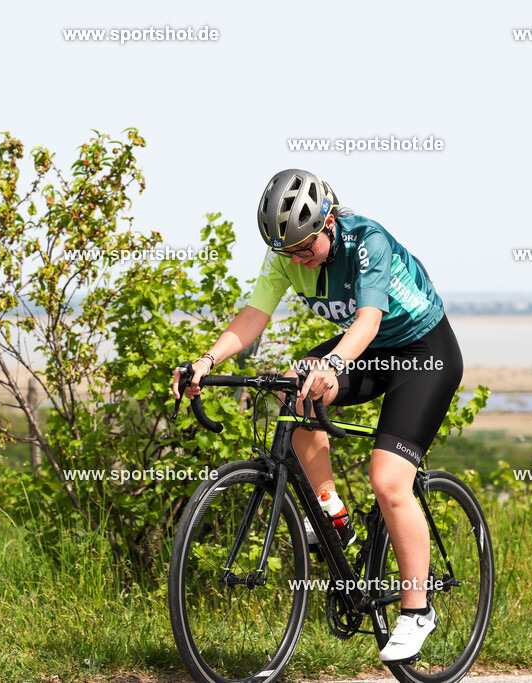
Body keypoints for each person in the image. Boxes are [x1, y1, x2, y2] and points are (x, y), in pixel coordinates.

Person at [171, 169, 464, 663]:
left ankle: (417, 610)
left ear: (329, 221)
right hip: (366, 349)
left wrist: (332, 364)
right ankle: (334, 514)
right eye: (289, 253)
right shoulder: (286, 254)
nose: (298, 260)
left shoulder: (366, 240)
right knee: (294, 386)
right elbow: (253, 317)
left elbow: (369, 320)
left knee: (389, 480)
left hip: (422, 352)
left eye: (306, 249)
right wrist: (205, 362)